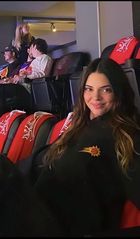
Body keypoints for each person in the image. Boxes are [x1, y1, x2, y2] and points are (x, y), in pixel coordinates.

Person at [19, 57, 140, 236]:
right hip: (31, 204)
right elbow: (43, 159)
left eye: (106, 90)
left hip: (55, 225)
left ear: (118, 92)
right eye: (89, 89)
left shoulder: (125, 136)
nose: (95, 98)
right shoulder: (78, 126)